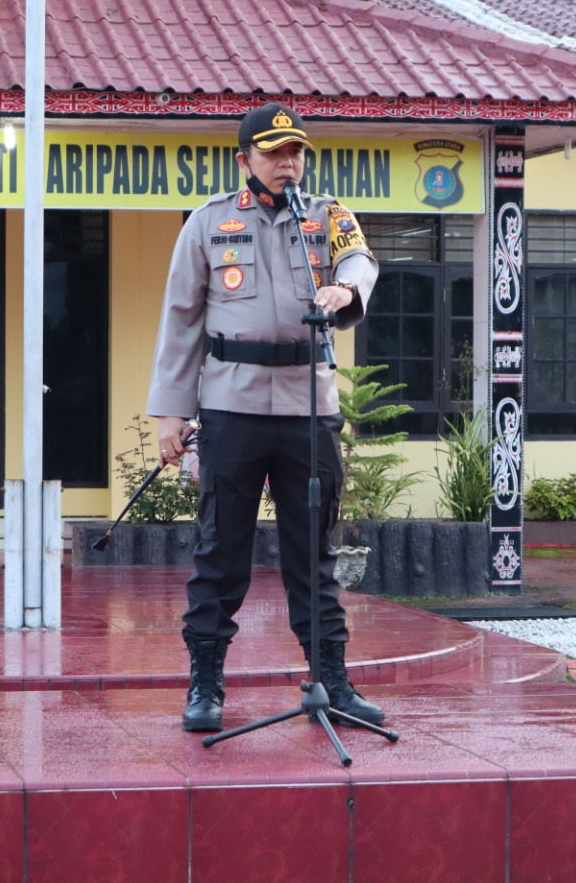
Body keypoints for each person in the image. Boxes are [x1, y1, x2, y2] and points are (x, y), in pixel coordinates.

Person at [147, 102, 383, 732]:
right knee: (221, 550)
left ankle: (332, 680)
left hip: (309, 408)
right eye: (274, 152)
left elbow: (360, 259)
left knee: (315, 554)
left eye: (296, 151)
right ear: (244, 159)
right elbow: (181, 320)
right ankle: (205, 683)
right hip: (233, 406)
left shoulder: (327, 215)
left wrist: (346, 289)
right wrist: (170, 414)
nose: (288, 163)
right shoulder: (209, 222)